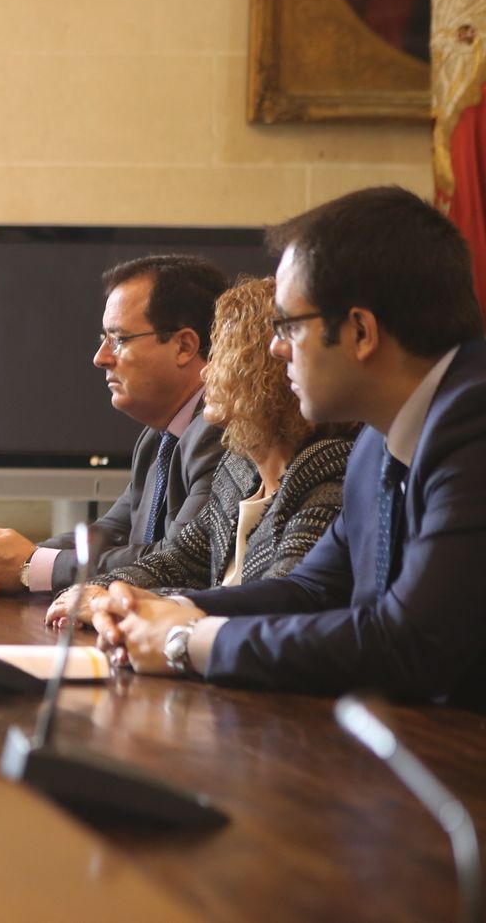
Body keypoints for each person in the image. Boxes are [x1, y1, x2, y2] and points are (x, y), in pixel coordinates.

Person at [92, 186, 486, 710]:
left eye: (289, 326)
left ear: (361, 331)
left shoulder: (474, 426)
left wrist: (187, 641)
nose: (275, 348)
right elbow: (309, 590)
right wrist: (166, 608)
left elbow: (410, 644)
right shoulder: (376, 441)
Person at [46, 276, 357, 627]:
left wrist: (129, 602)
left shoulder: (330, 472)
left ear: (266, 371)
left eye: (222, 353)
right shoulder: (238, 469)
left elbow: (279, 599)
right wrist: (99, 591)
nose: (207, 370)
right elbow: (175, 561)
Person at [0, 255, 229, 596]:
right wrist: (8, 557)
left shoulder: (219, 429)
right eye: (104, 338)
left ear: (184, 346)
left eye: (119, 339)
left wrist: (31, 565)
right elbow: (109, 532)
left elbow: (178, 563)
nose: (100, 357)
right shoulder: (158, 438)